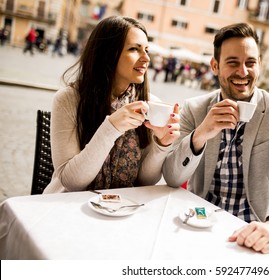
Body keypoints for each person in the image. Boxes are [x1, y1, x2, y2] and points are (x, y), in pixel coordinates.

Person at [163, 23, 269, 254]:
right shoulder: (195, 109)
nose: (243, 72)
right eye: (233, 62)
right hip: (200, 223)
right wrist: (201, 134)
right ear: (215, 66)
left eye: (250, 63)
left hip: (253, 228)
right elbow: (173, 177)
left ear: (260, 65)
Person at [43, 16, 180, 193]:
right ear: (107, 54)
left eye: (147, 50)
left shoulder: (150, 104)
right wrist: (111, 128)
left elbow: (146, 180)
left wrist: (162, 145)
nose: (146, 58)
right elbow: (71, 182)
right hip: (69, 205)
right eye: (134, 49)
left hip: (121, 207)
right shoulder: (68, 99)